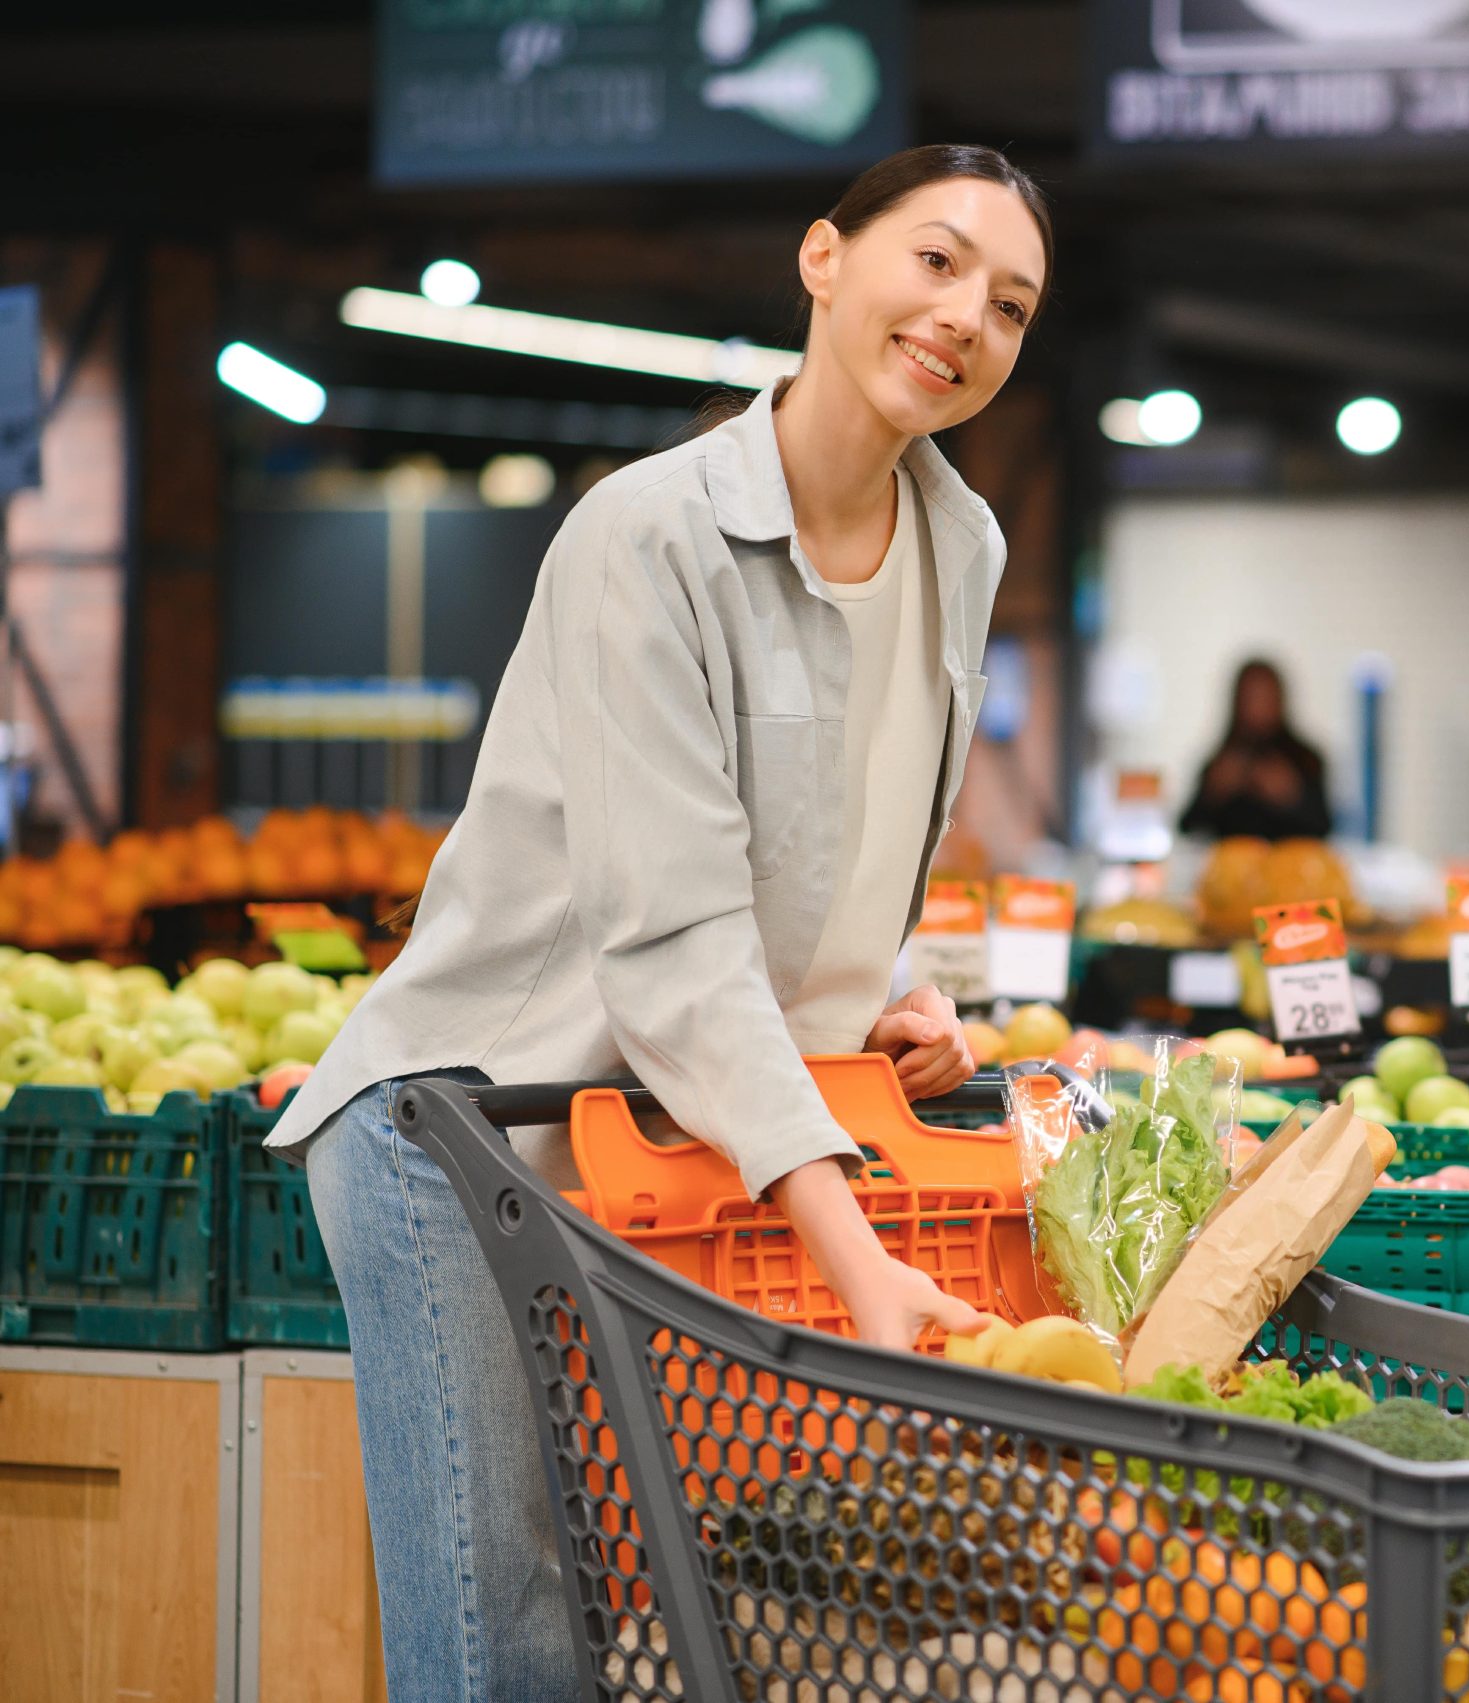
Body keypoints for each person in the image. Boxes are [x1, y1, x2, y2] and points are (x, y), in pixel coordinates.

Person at [264, 145, 1052, 1703]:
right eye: (938, 260)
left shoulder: (964, 550)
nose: (968, 316)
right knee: (515, 1643)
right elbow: (677, 938)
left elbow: (834, 831)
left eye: (1014, 304)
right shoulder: (650, 537)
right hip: (471, 1138)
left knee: (657, 1617)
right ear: (823, 259)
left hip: (664, 1152)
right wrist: (858, 1253)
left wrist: (883, 985)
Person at [1178, 658, 1334, 841]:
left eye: (1264, 697)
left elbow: (1324, 828)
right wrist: (1212, 794)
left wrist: (1292, 797)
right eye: (1251, 697)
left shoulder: (1306, 760)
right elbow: (1187, 828)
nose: (1257, 707)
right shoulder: (1219, 763)